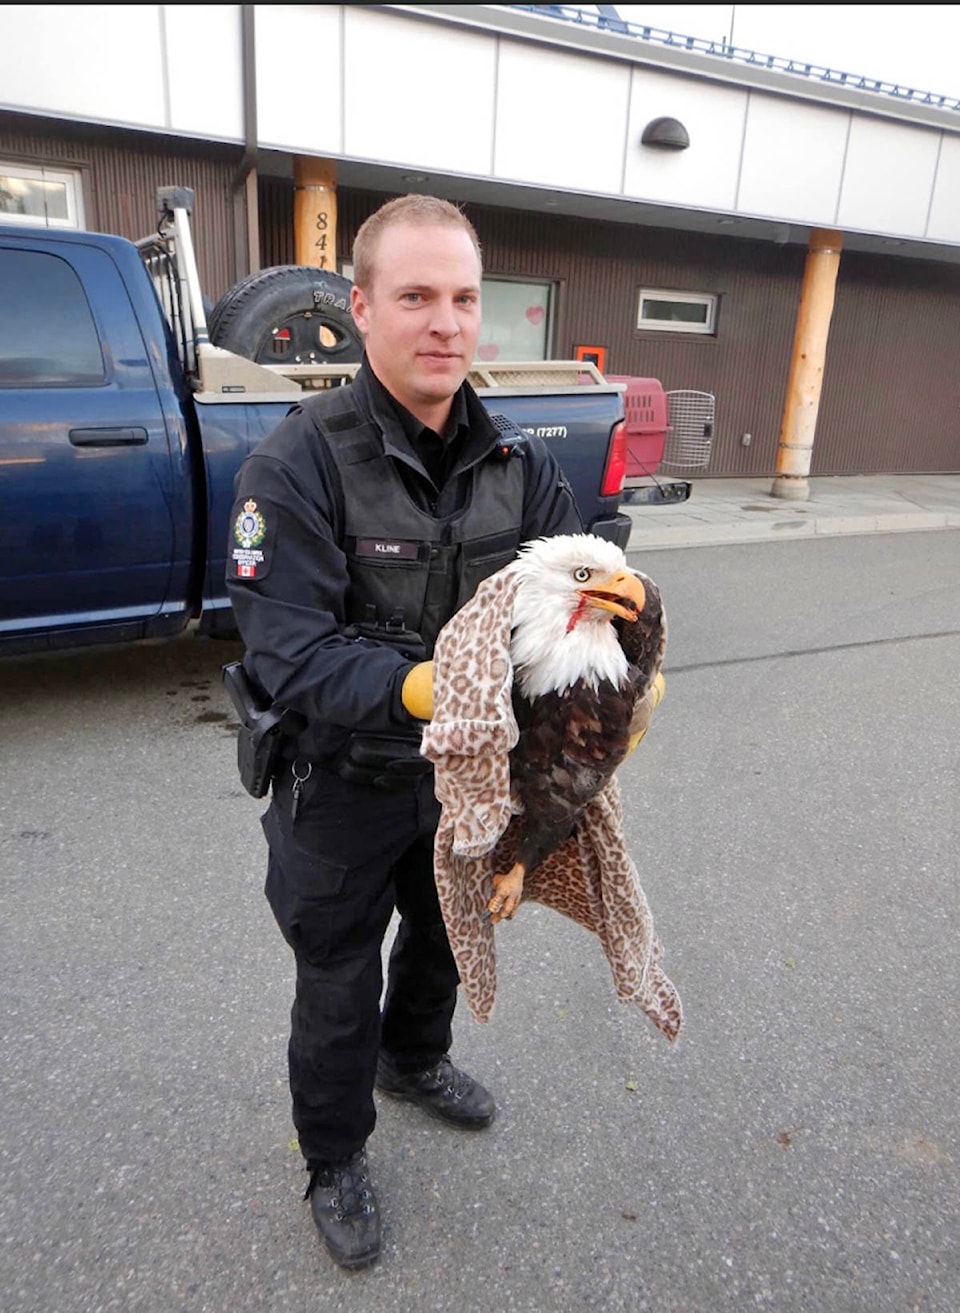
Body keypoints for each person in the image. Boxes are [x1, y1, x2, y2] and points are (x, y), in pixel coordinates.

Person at [226, 194, 582, 1270]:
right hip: (342, 782)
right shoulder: (296, 466)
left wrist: (616, 649)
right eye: (417, 296)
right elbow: (291, 649)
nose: (446, 323)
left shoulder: (518, 461)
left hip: (467, 780)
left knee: (442, 933)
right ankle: (333, 1155)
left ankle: (415, 1059)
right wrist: (437, 688)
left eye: (465, 298)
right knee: (338, 976)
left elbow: (580, 568)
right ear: (360, 307)